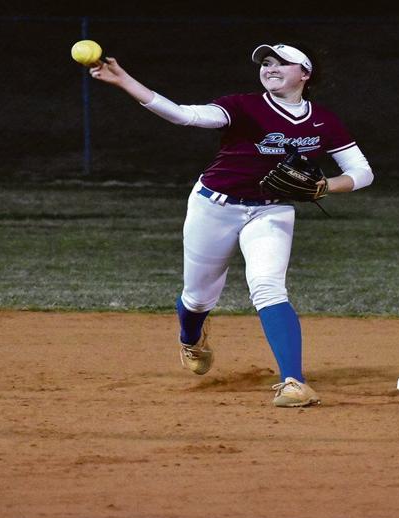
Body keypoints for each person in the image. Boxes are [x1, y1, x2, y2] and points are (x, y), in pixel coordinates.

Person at [89, 42, 374, 407]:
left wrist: (326, 186)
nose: (270, 67)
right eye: (266, 63)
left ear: (305, 73)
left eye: (282, 63)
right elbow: (183, 115)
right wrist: (125, 81)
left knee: (269, 288)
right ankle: (192, 338)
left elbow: (362, 172)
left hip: (271, 210)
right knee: (197, 296)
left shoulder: (323, 120)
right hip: (214, 206)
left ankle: (293, 382)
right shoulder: (242, 106)